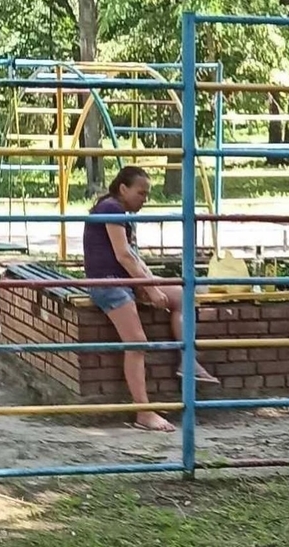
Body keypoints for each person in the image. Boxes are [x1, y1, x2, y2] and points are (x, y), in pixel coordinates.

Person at [83, 165, 219, 433]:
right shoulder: (111, 208)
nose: (145, 199)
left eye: (147, 194)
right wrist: (151, 288)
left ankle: (187, 361)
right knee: (137, 343)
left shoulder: (119, 211)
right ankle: (143, 412)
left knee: (183, 296)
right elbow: (123, 255)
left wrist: (151, 280)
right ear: (123, 189)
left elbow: (132, 256)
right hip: (108, 283)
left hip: (125, 280)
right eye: (141, 193)